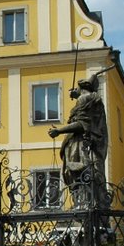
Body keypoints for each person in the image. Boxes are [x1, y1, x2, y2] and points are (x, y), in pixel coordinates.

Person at [48, 73, 109, 209]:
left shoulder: (85, 99)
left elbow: (82, 124)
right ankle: (86, 205)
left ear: (81, 87)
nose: (74, 90)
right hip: (85, 144)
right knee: (84, 176)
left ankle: (84, 205)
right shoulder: (92, 99)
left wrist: (59, 131)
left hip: (81, 145)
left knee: (82, 174)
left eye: (76, 88)